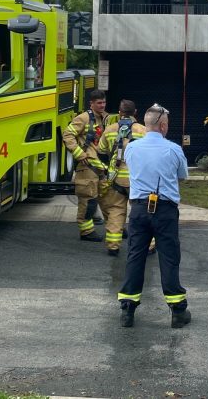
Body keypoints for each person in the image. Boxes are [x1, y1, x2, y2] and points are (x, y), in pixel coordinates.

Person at [116, 103, 190, 328]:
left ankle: (127, 309)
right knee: (169, 257)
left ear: (146, 125)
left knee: (135, 256)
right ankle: (177, 310)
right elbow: (183, 176)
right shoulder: (174, 149)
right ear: (164, 126)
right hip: (165, 209)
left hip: (138, 209)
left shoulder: (131, 148)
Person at [97, 100, 146, 256]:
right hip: (138, 180)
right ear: (135, 112)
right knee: (142, 213)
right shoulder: (144, 131)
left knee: (116, 212)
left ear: (119, 112)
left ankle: (113, 246)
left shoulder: (110, 130)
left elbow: (101, 151)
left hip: (116, 179)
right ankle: (149, 245)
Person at [63, 90, 114, 241]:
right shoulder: (83, 118)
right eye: (99, 103)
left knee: (108, 199)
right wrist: (78, 153)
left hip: (102, 167)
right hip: (88, 166)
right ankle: (86, 231)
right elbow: (67, 134)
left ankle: (114, 227)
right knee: (88, 200)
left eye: (104, 103)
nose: (102, 105)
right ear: (91, 103)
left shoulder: (105, 118)